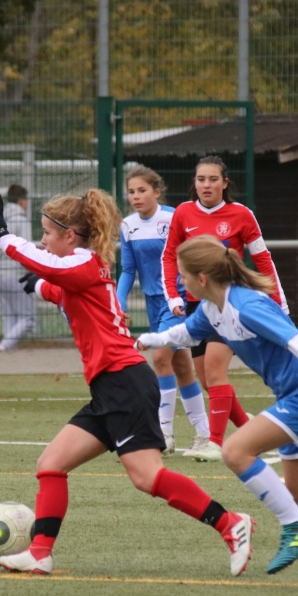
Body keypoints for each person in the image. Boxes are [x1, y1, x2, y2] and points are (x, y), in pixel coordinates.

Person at [0, 191, 254, 577]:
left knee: (147, 477)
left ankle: (230, 523)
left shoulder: (83, 263)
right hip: (111, 388)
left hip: (125, 385)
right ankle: (40, 553)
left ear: (69, 236)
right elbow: (58, 288)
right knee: (51, 464)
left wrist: (4, 236)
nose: (42, 240)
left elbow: (46, 266)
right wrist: (36, 286)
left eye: (47, 233)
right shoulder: (82, 269)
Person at [138, 235, 298, 584]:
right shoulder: (213, 309)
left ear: (203, 278)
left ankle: (295, 524)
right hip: (295, 397)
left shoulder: (248, 306)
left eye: (183, 275)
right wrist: (153, 339)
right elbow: (186, 334)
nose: (180, 282)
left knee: (235, 451)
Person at [161, 156, 288, 462]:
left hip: (229, 304)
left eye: (213, 179)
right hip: (197, 308)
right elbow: (169, 257)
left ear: (225, 183)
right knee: (207, 380)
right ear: (194, 183)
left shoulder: (241, 214)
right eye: (201, 179)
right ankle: (250, 429)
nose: (206, 185)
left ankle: (214, 443)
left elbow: (263, 260)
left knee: (215, 370)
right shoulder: (183, 213)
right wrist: (174, 297)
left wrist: (278, 303)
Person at [116, 167, 209, 456]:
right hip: (153, 303)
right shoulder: (128, 225)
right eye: (131, 192)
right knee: (181, 367)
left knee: (159, 357)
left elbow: (190, 255)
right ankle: (204, 434)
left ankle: (163, 433)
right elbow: (128, 270)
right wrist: (118, 304)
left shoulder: (174, 217)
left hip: (177, 301)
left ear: (157, 192)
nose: (136, 196)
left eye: (142, 190)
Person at [0, 184, 36, 351]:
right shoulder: (21, 220)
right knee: (28, 317)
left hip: (0, 273)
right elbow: (26, 250)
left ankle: (7, 348)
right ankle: (5, 345)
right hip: (17, 273)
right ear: (21, 201)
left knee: (9, 316)